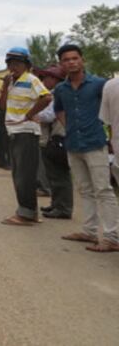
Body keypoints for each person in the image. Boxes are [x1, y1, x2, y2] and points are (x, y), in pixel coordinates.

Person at [54, 44, 118, 251]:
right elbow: (59, 111)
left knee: (104, 190)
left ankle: (112, 237)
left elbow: (111, 109)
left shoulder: (100, 84)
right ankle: (90, 231)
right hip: (73, 144)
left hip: (95, 143)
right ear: (61, 64)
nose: (71, 62)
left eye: (75, 58)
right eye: (66, 59)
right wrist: (70, 128)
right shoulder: (61, 89)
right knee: (85, 189)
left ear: (82, 60)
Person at [0, 47, 51, 227]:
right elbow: (3, 106)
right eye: (11, 63)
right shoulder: (12, 81)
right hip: (15, 130)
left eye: (18, 63)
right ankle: (30, 212)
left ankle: (26, 214)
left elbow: (47, 97)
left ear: (26, 65)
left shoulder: (31, 79)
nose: (14, 66)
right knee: (21, 173)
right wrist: (5, 85)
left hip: (26, 131)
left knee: (24, 175)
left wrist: (30, 114)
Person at [36, 65, 72, 219]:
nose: (44, 80)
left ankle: (63, 207)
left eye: (47, 78)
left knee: (59, 174)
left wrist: (33, 114)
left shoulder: (57, 94)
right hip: (53, 137)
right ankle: (57, 204)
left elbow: (50, 116)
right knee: (53, 174)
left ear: (55, 79)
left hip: (58, 136)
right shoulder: (54, 93)